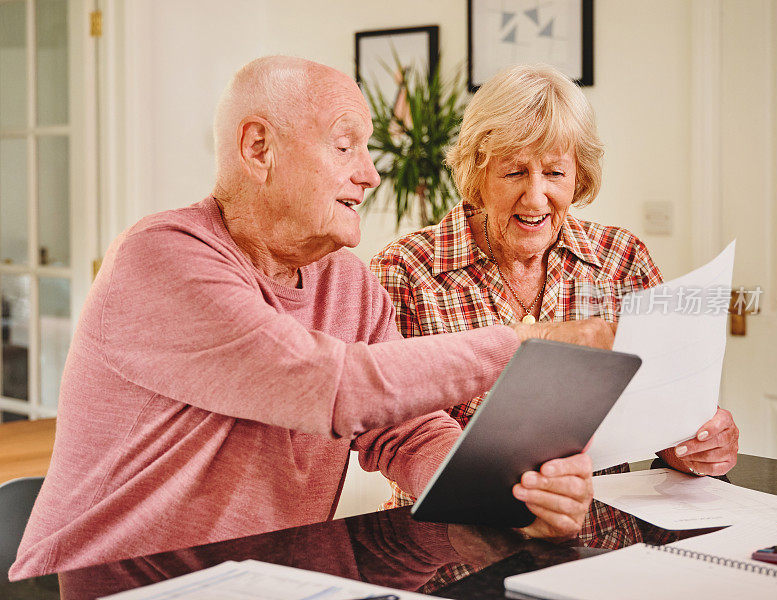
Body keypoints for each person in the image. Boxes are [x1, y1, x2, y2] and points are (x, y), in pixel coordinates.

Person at [9, 57, 614, 580]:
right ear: (258, 149)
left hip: (263, 581)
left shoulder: (348, 281)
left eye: (369, 149)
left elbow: (407, 431)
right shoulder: (160, 256)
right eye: (345, 145)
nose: (370, 174)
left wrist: (512, 497)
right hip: (111, 587)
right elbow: (329, 383)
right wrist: (523, 343)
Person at [371, 64, 740, 549]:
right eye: (515, 171)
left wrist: (695, 444)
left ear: (578, 176)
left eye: (554, 172)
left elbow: (665, 412)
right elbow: (387, 430)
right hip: (453, 549)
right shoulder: (404, 272)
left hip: (601, 545)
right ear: (477, 173)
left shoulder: (620, 262)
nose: (536, 195)